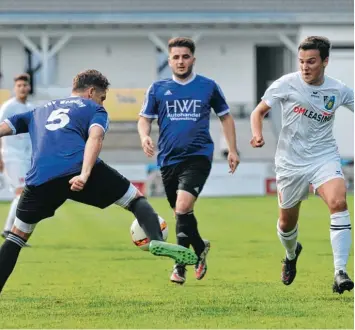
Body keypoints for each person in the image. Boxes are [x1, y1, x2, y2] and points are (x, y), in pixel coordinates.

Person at [0, 69, 198, 295]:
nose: (103, 102)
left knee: (16, 237)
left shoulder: (39, 109)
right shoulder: (95, 108)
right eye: (102, 97)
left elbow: (4, 128)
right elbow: (96, 137)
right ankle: (154, 239)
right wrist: (84, 174)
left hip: (40, 178)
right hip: (76, 167)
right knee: (134, 199)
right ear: (92, 92)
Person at [250, 36, 354, 294]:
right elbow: (258, 112)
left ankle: (340, 271)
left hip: (324, 157)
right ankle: (291, 253)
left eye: (311, 62)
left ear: (325, 62)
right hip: (290, 162)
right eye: (301, 61)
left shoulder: (338, 89)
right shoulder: (286, 83)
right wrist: (257, 133)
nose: (305, 67)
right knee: (286, 224)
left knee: (339, 202)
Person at [138, 37, 239, 285]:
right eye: (176, 57)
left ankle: (179, 266)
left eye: (185, 56)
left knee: (182, 207)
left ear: (193, 58)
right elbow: (144, 119)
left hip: (198, 156)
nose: (181, 61)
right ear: (169, 60)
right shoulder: (157, 89)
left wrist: (233, 150)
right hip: (168, 159)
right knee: (181, 213)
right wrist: (144, 136)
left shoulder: (208, 86)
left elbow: (226, 117)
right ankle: (199, 247)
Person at [0, 74, 33, 245]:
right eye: (19, 85)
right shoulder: (8, 107)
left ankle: (9, 229)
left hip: (26, 157)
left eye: (24, 85)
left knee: (24, 194)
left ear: (29, 87)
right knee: (21, 193)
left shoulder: (30, 107)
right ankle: (9, 230)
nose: (22, 88)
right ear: (15, 88)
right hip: (11, 156)